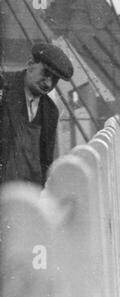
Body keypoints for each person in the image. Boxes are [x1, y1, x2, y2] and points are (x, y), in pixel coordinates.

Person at [0, 42, 74, 188]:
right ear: (30, 64)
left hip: (27, 197)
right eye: (46, 73)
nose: (48, 83)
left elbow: (45, 162)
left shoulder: (50, 111)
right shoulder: (3, 88)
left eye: (55, 79)